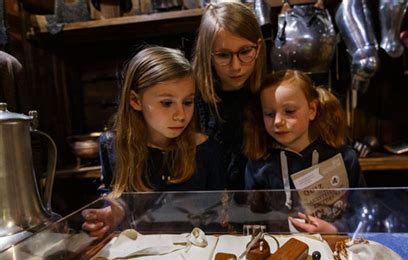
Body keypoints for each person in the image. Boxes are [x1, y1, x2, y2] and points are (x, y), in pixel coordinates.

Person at [83, 45, 225, 237]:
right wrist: (110, 215)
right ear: (135, 101)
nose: (181, 115)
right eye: (167, 103)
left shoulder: (206, 149)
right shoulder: (114, 146)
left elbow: (216, 219)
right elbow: (115, 199)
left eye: (188, 102)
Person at [243, 69, 365, 233]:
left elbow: (362, 213)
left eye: (289, 111)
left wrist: (333, 229)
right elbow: (252, 220)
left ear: (312, 110)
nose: (278, 121)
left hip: (334, 247)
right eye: (270, 114)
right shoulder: (259, 166)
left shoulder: (343, 158)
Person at [192, 1, 266, 189]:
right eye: (223, 55)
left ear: (258, 47)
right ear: (207, 53)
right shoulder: (189, 99)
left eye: (244, 52)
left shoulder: (271, 94)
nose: (236, 66)